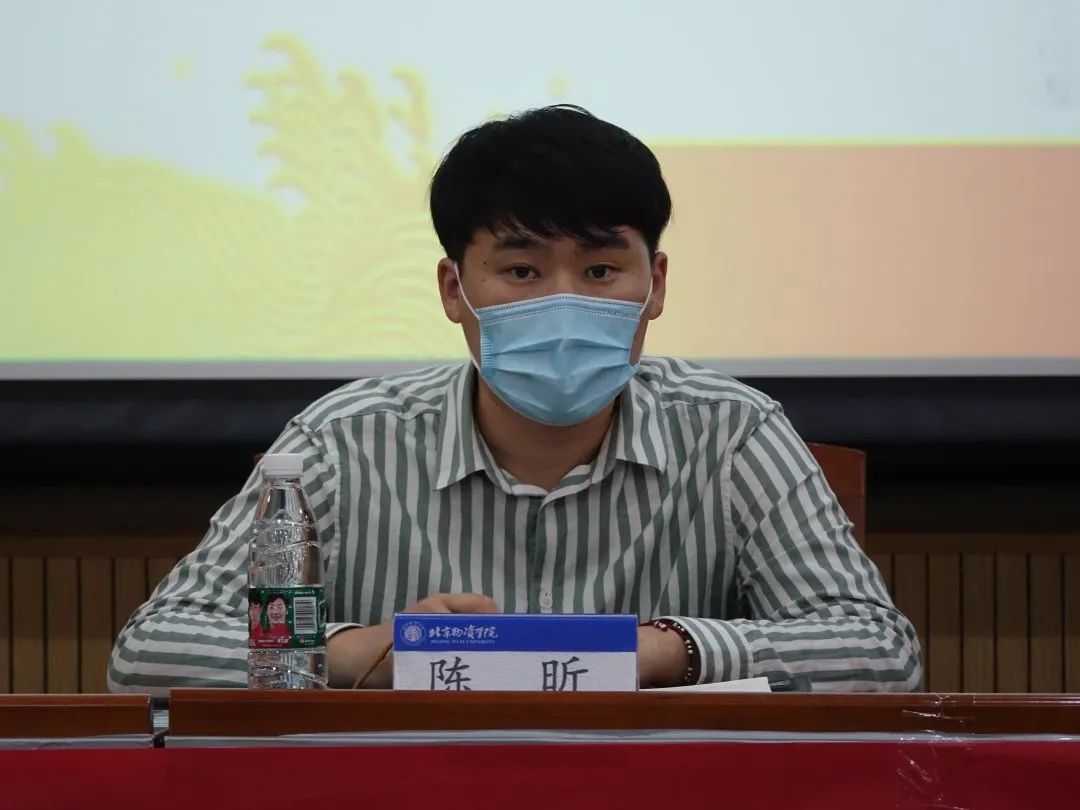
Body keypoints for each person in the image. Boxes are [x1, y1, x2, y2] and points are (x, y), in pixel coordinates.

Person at [109, 105, 921, 694]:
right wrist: (364, 651)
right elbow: (151, 651)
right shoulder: (344, 440)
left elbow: (880, 652)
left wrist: (662, 649)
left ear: (655, 284)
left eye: (600, 270)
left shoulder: (731, 431)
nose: (564, 301)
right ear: (453, 289)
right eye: (522, 271)